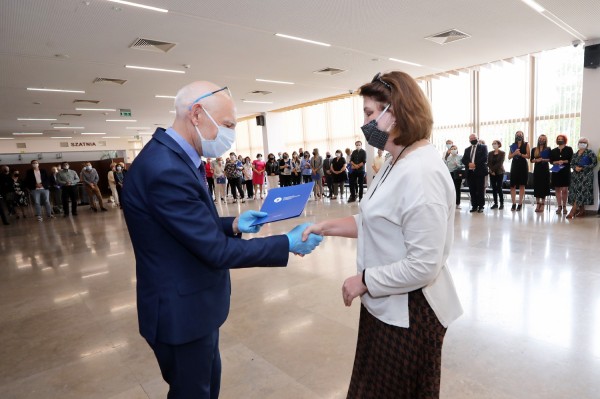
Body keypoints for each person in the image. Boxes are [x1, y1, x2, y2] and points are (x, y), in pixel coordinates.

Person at [121, 81, 323, 399]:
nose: (230, 135)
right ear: (197, 114)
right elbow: (214, 252)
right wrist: (286, 243)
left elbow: (184, 226)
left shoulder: (173, 159)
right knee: (193, 392)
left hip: (192, 306)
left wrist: (232, 224)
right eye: (228, 125)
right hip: (181, 311)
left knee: (206, 386)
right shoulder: (165, 168)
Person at [303, 71, 462, 399]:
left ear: (396, 113)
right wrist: (324, 227)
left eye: (369, 113)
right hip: (385, 303)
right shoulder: (395, 161)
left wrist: (363, 280)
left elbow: (423, 265)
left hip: (411, 313)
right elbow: (373, 221)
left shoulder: (423, 174)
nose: (365, 123)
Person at [566, 137, 597, 219]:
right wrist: (575, 167)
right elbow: (571, 163)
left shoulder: (590, 153)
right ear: (578, 143)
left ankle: (572, 212)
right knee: (576, 193)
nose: (582, 143)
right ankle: (582, 210)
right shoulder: (575, 154)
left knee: (580, 193)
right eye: (581, 142)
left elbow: (594, 163)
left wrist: (584, 168)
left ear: (587, 144)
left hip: (586, 177)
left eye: (584, 142)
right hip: (576, 176)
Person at [462, 133, 488, 213]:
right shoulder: (467, 149)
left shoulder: (483, 147)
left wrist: (475, 164)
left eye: (474, 138)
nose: (473, 139)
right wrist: (469, 164)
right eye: (471, 138)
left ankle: (481, 206)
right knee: (472, 190)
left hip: (479, 172)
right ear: (469, 140)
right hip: (470, 172)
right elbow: (463, 159)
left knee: (480, 190)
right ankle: (474, 206)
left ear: (477, 138)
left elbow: (485, 157)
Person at [549, 134, 573, 215]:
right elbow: (551, 161)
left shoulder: (569, 149)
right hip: (556, 171)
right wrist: (556, 162)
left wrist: (564, 161)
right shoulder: (553, 150)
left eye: (561, 139)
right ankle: (559, 206)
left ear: (564, 140)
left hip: (565, 171)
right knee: (557, 189)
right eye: (558, 139)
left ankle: (565, 206)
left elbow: (571, 160)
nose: (559, 140)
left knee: (565, 190)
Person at [508, 131, 530, 211]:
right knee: (512, 185)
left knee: (522, 185)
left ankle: (520, 203)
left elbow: (528, 156)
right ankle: (514, 203)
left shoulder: (526, 144)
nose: (519, 135)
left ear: (523, 136)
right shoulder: (513, 145)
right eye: (517, 134)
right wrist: (514, 153)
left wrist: (520, 154)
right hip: (514, 166)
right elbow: (509, 157)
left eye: (520, 134)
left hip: (523, 166)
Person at [530, 134, 551, 213]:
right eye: (540, 138)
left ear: (545, 140)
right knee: (537, 186)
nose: (541, 140)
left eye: (543, 139)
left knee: (544, 186)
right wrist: (536, 160)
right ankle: (537, 204)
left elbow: (550, 160)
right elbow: (531, 160)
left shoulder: (548, 149)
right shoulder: (534, 149)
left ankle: (543, 204)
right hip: (537, 170)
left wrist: (543, 160)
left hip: (545, 170)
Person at [488, 140, 506, 210]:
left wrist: (493, 170)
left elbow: (500, 163)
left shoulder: (502, 153)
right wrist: (491, 171)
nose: (493, 145)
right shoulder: (490, 153)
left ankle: (502, 203)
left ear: (499, 144)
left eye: (495, 143)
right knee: (494, 188)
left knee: (499, 188)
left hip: (499, 172)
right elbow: (488, 162)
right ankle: (495, 203)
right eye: (493, 144)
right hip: (491, 173)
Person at [445, 144, 464, 209]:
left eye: (454, 148)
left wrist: (458, 164)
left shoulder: (460, 156)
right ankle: (451, 203)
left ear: (457, 149)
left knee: (457, 189)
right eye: (452, 149)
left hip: (457, 173)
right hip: (450, 174)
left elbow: (463, 166)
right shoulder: (448, 157)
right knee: (450, 189)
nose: (453, 150)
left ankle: (457, 203)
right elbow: (446, 166)